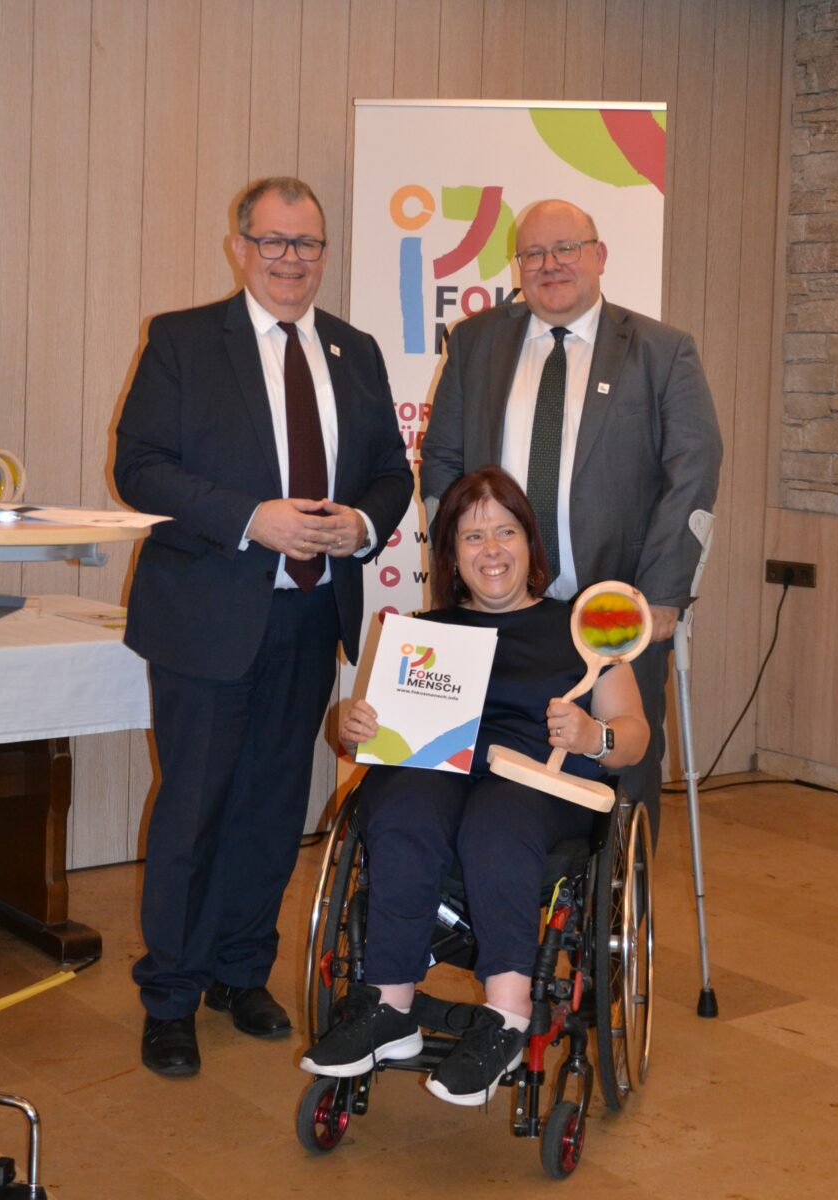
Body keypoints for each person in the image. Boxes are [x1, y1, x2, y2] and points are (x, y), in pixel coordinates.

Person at [114, 176, 413, 1078]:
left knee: (275, 808)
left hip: (311, 615)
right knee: (195, 809)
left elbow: (391, 473)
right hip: (206, 617)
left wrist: (361, 524)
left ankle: (240, 972)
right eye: (274, 242)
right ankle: (171, 994)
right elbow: (141, 468)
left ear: (324, 253)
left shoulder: (355, 350)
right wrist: (252, 518)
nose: (291, 260)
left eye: (307, 244)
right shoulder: (182, 340)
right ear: (240, 247)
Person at [301, 466, 649, 1106]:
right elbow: (367, 736)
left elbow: (634, 734)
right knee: (400, 805)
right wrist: (351, 724)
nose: (492, 549)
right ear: (452, 556)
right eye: (473, 536)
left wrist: (593, 735)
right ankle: (389, 1008)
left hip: (536, 785)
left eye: (506, 532)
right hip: (439, 775)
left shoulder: (579, 631)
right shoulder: (422, 633)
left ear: (530, 544)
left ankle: (508, 1015)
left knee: (495, 822)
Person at [420, 198, 721, 844]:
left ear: (599, 256)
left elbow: (693, 472)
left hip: (616, 605)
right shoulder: (475, 343)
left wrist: (663, 593)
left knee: (620, 760)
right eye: (534, 253)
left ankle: (614, 898)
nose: (550, 264)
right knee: (487, 758)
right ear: (517, 265)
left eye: (567, 249)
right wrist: (458, 566)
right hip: (497, 607)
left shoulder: (661, 351)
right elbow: (442, 461)